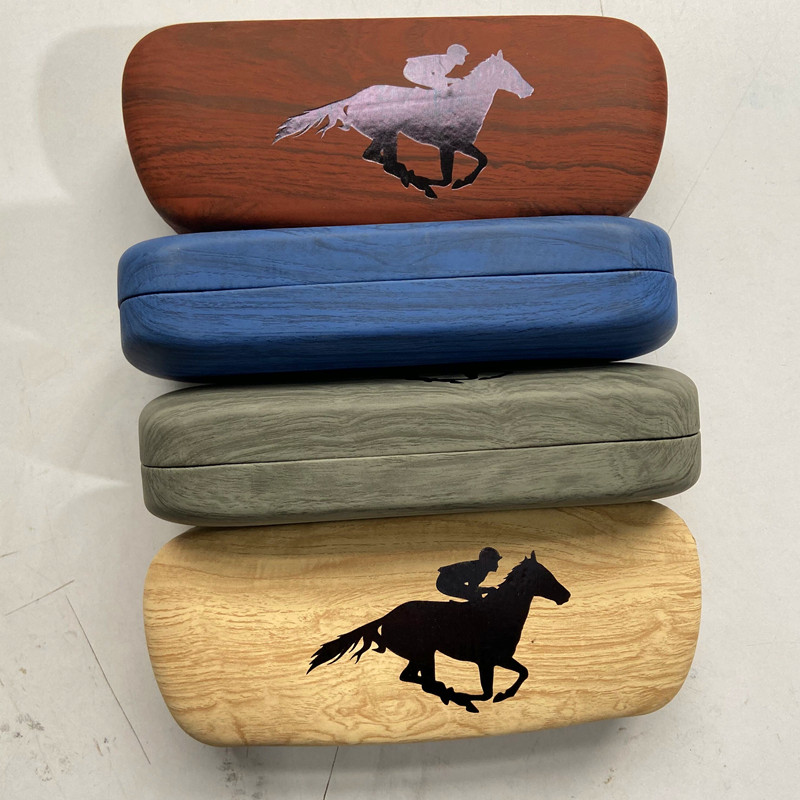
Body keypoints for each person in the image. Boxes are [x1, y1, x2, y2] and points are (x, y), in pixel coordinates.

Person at [436, 547, 502, 602]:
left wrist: (487, 590)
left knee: (475, 596)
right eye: (494, 562)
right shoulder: (479, 571)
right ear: (487, 562)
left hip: (448, 581)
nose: (497, 565)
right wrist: (487, 590)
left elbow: (473, 589)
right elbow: (472, 590)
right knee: (475, 597)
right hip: (444, 583)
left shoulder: (480, 568)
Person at [403, 43, 469, 90]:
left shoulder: (448, 62)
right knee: (438, 84)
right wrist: (451, 83)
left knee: (436, 82)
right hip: (412, 70)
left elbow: (439, 77)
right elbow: (439, 78)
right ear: (454, 56)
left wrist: (453, 81)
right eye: (462, 56)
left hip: (413, 69)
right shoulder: (445, 63)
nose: (464, 59)